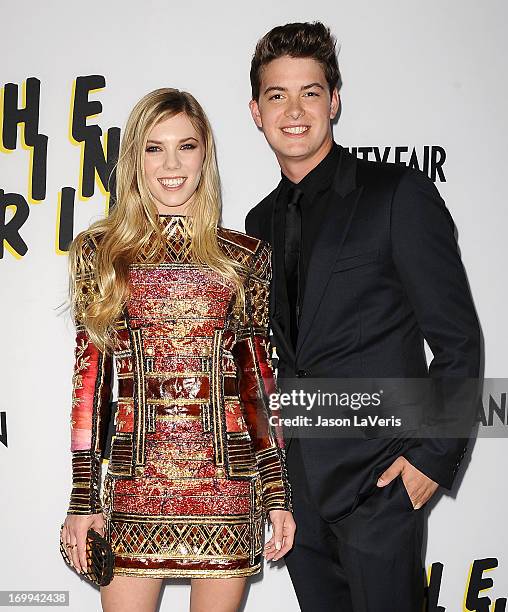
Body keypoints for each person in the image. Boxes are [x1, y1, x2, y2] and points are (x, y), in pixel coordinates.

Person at [246, 21, 481, 612]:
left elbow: (457, 341)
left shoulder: (397, 194)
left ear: (335, 100)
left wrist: (432, 458)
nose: (294, 110)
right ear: (256, 111)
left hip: (382, 486)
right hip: (299, 498)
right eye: (278, 95)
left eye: (311, 92)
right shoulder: (256, 228)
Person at [61, 87, 295, 612]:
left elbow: (258, 383)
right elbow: (89, 378)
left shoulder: (244, 257)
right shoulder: (99, 255)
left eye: (186, 147)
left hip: (227, 489)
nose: (171, 164)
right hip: (132, 485)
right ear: (134, 159)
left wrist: (276, 494)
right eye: (154, 147)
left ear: (204, 156)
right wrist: (83, 497)